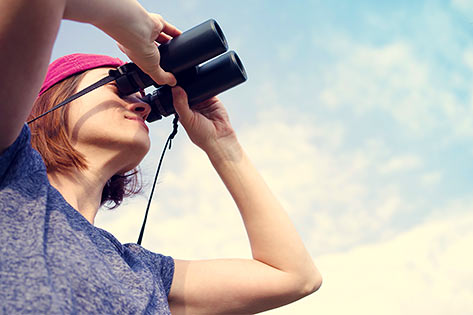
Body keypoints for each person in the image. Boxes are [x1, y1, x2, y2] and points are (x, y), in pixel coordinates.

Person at [0, 0, 322, 314]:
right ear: (53, 100)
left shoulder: (145, 273)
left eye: (145, 98)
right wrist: (136, 27)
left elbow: (294, 276)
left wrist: (222, 145)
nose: (143, 106)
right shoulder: (10, 176)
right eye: (121, 86)